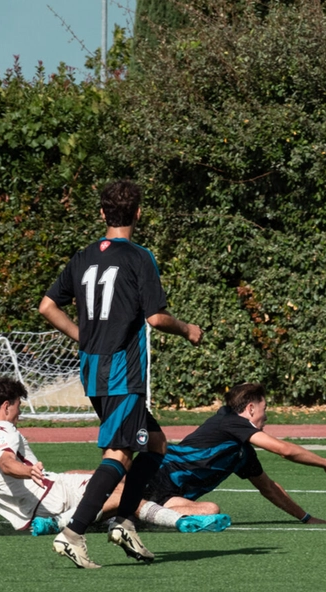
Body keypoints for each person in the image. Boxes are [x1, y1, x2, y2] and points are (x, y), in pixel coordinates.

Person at [39, 179, 203, 569]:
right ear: (139, 214)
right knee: (120, 452)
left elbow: (47, 306)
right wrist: (187, 329)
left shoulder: (82, 257)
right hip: (121, 372)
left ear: (102, 214)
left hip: (93, 369)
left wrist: (83, 335)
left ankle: (125, 521)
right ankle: (73, 532)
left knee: (157, 444)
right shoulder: (138, 257)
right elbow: (157, 317)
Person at [0, 377, 229, 536]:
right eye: (17, 407)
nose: (19, 414)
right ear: (5, 406)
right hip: (52, 499)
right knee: (123, 492)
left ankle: (105, 519)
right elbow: (5, 462)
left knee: (105, 479)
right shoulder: (3, 430)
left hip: (37, 506)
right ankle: (180, 523)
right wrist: (25, 471)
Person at [145, 382, 326, 524]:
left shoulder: (241, 452)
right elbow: (284, 451)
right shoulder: (229, 422)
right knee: (209, 512)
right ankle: (132, 511)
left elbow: (269, 488)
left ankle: (136, 515)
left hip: (169, 495)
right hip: (155, 477)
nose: (266, 417)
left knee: (210, 510)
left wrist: (307, 518)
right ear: (251, 408)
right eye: (265, 409)